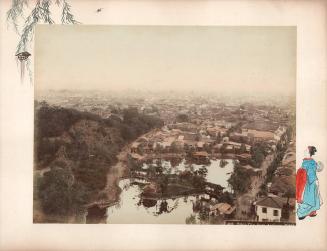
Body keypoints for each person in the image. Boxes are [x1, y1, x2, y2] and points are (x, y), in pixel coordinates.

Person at [296, 146, 324, 220]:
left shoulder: (310, 163)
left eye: (306, 151)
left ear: (309, 153)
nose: (304, 151)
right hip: (308, 181)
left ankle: (303, 213)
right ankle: (312, 212)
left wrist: (314, 181)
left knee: (308, 198)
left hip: (310, 183)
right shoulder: (308, 161)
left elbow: (311, 174)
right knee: (312, 198)